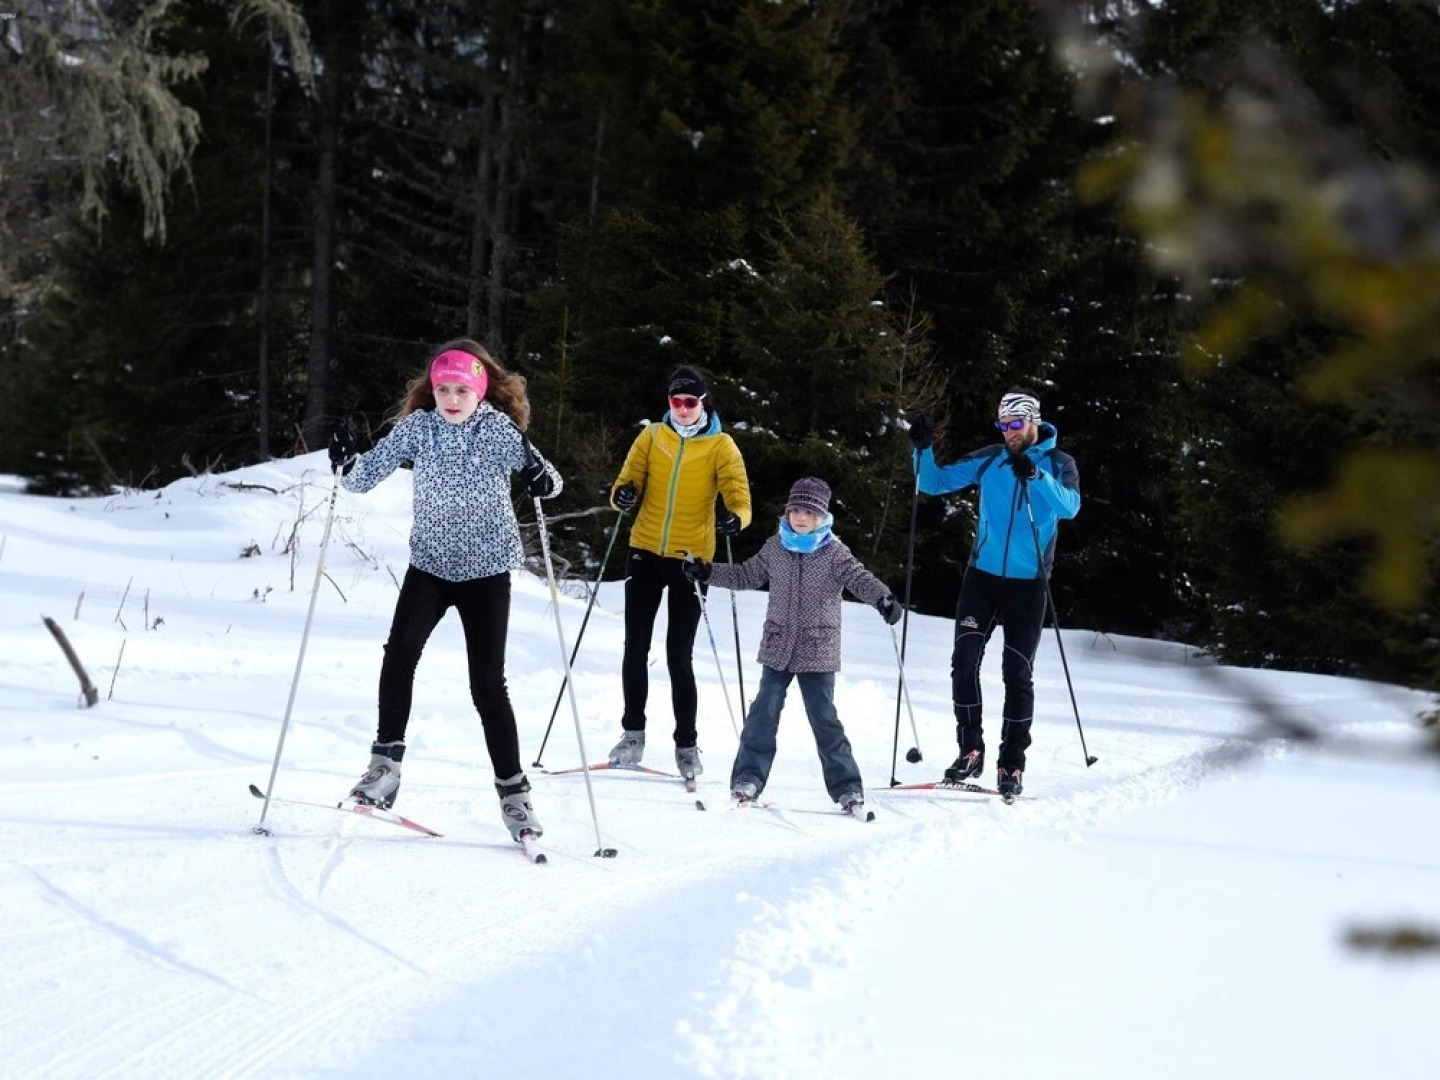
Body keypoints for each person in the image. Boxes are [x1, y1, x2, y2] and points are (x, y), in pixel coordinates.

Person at [327, 339, 562, 842]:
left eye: (461, 390)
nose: (451, 399)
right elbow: (364, 477)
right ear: (431, 392)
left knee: (486, 684)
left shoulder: (498, 429)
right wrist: (347, 464)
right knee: (400, 653)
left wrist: (540, 477)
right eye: (442, 389)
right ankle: (384, 768)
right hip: (429, 566)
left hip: (486, 572)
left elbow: (551, 481)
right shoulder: (419, 427)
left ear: (480, 392)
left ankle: (515, 795)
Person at [682, 477, 903, 815]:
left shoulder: (834, 552)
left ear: (821, 516)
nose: (801, 518)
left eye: (809, 513)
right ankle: (747, 779)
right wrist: (707, 571)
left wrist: (883, 598)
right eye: (796, 510)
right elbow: (745, 575)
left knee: (825, 719)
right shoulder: (776, 547)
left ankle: (848, 788)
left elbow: (860, 579)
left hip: (818, 646)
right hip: (778, 643)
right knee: (763, 713)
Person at [908, 389, 1080, 800]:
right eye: (1003, 426)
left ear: (1034, 422)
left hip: (1029, 583)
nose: (1009, 433)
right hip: (981, 578)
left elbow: (1070, 507)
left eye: (1016, 424)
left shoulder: (1059, 463)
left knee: (1016, 673)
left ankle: (1012, 764)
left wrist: (1035, 476)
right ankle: (970, 749)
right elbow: (931, 483)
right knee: (963, 662)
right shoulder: (991, 458)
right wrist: (922, 448)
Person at [606, 366, 752, 780]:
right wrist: (623, 495)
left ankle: (686, 743)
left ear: (703, 403)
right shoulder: (652, 436)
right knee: (635, 644)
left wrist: (735, 520)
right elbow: (625, 483)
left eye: (691, 402)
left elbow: (740, 496)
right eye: (676, 402)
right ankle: (632, 733)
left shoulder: (722, 446)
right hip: (645, 551)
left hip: (692, 561)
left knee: (678, 654)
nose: (683, 409)